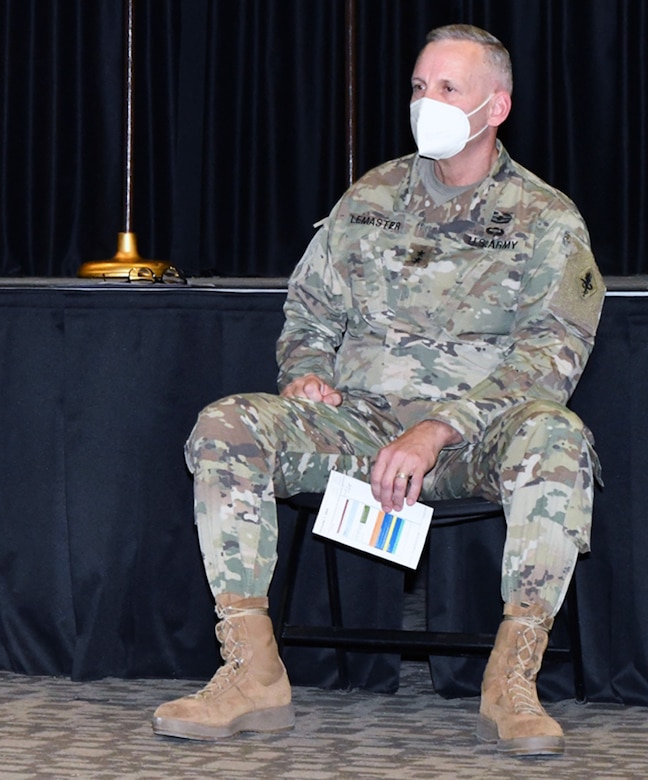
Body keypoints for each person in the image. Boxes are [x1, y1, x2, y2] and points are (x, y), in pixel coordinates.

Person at [151, 24, 602, 756]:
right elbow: (310, 309)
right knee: (226, 424)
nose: (428, 102)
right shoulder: (372, 197)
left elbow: (553, 356)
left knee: (560, 438)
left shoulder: (545, 219)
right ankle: (251, 669)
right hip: (356, 430)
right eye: (420, 88)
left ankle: (512, 681)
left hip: (474, 443)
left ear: (496, 108)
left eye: (449, 89)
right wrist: (306, 372)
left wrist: (438, 429)